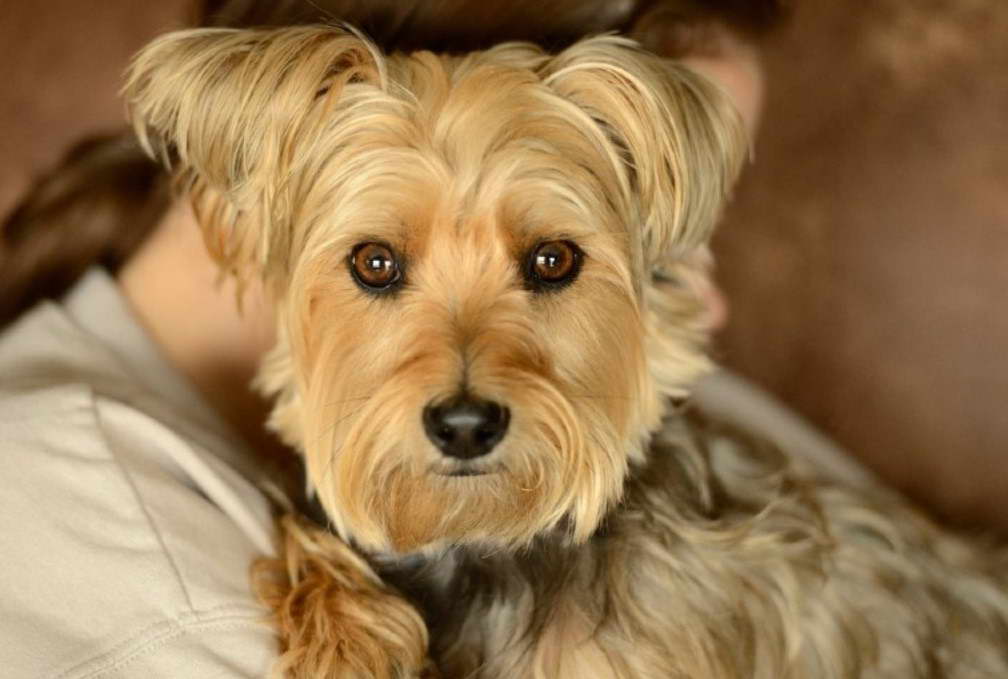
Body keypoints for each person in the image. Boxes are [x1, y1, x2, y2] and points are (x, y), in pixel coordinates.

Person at [0, 2, 803, 676]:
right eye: (381, 263)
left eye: (551, 263)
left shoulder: (620, 444)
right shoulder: (145, 589)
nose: (710, 307)